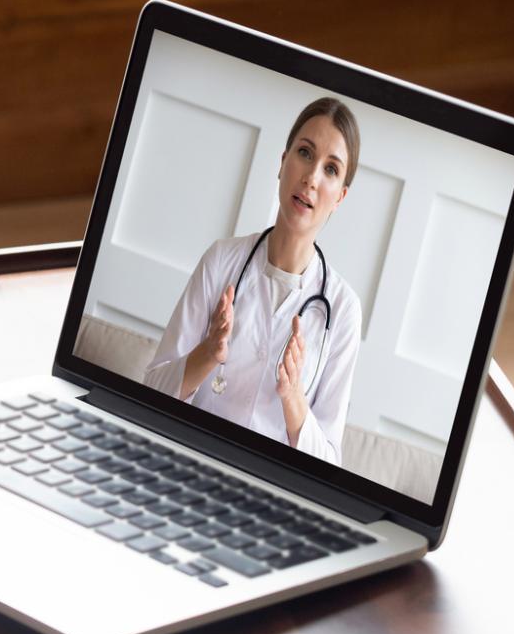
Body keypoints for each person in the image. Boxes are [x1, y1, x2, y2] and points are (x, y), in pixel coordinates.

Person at [141, 98, 363, 464]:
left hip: (267, 492)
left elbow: (328, 465)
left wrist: (293, 399)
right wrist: (208, 353)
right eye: (305, 153)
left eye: (331, 169)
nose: (311, 178)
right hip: (188, 462)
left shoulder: (343, 311)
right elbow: (150, 392)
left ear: (339, 197)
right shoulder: (221, 260)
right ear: (282, 162)